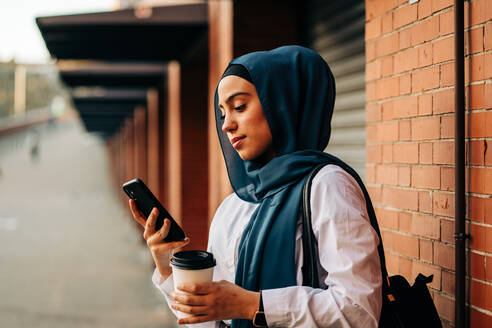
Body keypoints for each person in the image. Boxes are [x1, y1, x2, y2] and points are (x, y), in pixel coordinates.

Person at [129, 45, 382, 327]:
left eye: (239, 107)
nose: (226, 125)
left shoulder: (326, 184)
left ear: (281, 103)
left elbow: (359, 312)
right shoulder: (235, 206)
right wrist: (167, 267)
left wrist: (250, 304)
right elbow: (213, 319)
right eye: (223, 113)